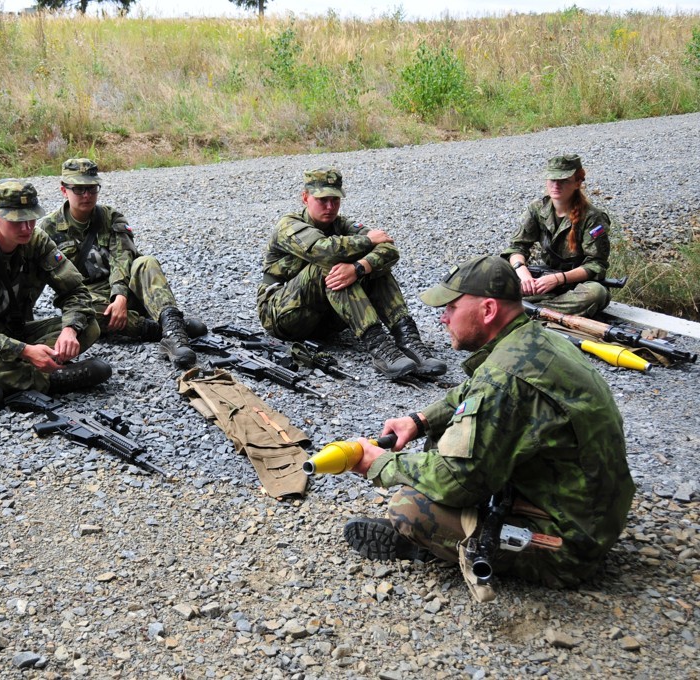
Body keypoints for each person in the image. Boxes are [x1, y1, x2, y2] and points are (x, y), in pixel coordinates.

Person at [342, 255, 635, 588]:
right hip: (592, 511)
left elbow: (456, 480)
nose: (443, 317)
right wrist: (419, 421)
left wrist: (382, 463)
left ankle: (424, 546)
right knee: (443, 433)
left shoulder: (504, 378)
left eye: (452, 307)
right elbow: (468, 394)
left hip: (570, 544)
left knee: (408, 509)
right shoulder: (531, 340)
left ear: (488, 310)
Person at [0, 179, 110, 410]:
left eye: (31, 218)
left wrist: (70, 329)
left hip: (16, 331)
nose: (26, 228)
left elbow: (75, 290)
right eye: (17, 221)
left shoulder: (36, 240)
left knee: (89, 326)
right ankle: (50, 379)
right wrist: (24, 351)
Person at [257, 167, 445, 379]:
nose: (330, 207)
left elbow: (389, 249)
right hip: (282, 315)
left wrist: (359, 267)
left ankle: (408, 339)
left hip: (324, 318)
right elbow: (325, 250)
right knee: (331, 265)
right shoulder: (289, 226)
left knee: (374, 266)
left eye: (335, 200)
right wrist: (367, 241)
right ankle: (379, 346)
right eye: (322, 200)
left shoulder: (342, 225)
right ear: (305, 198)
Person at [35, 158, 204, 370]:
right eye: (78, 189)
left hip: (127, 289)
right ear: (64, 190)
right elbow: (36, 276)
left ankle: (174, 332)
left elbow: (122, 258)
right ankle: (160, 328)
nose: (86, 195)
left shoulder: (111, 217)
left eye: (92, 188)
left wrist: (120, 296)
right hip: (90, 297)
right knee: (86, 313)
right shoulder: (48, 229)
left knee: (146, 262)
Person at [502, 154, 615, 317]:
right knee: (497, 278)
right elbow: (516, 247)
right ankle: (541, 309)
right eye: (552, 179)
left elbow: (596, 264)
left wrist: (558, 279)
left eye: (564, 180)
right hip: (545, 278)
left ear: (577, 183)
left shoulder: (593, 217)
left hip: (577, 283)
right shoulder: (537, 209)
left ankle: (528, 310)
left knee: (596, 294)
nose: (556, 185)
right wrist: (523, 272)